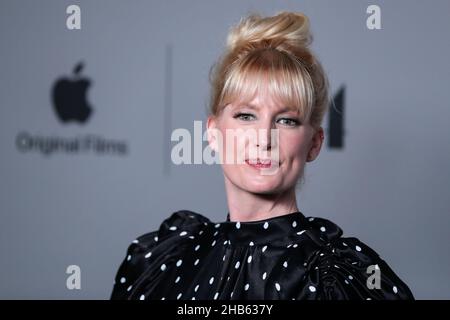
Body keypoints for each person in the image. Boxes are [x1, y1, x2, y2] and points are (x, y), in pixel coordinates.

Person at [110, 11, 414, 300]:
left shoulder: (339, 277)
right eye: (245, 116)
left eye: (286, 120)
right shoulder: (165, 257)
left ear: (314, 143)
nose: (263, 138)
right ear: (213, 133)